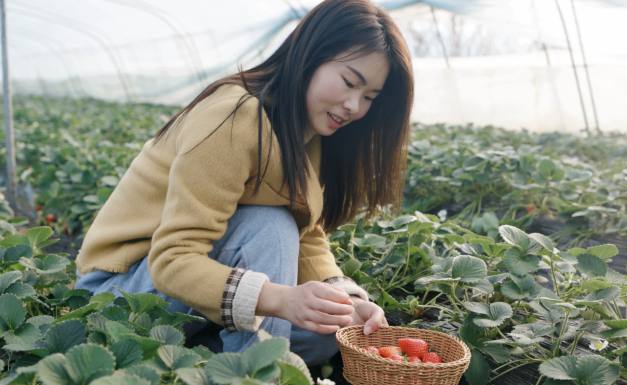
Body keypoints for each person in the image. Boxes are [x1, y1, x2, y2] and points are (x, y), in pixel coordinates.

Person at [74, 0, 413, 366]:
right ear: (311, 54)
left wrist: (346, 301)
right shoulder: (234, 117)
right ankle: (255, 371)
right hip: (119, 291)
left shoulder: (308, 133)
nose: (353, 106)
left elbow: (307, 231)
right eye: (349, 82)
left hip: (187, 291)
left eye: (368, 98)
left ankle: (203, 358)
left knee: (325, 331)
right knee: (269, 225)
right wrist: (280, 299)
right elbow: (173, 259)